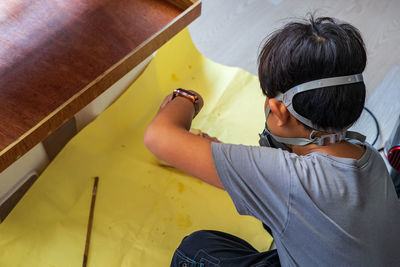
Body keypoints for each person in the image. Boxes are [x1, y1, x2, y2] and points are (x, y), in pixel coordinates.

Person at [143, 15, 400, 267]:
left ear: (278, 110)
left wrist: (187, 98)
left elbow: (158, 136)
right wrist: (218, 154)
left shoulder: (290, 180)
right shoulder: (369, 157)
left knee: (195, 249)